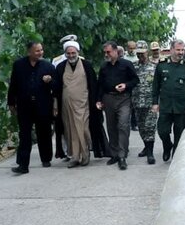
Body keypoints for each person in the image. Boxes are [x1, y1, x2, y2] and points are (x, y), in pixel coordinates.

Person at [7, 42, 56, 174]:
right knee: (24, 135)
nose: (40, 53)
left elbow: (57, 87)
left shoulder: (48, 66)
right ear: (29, 52)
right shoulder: (19, 65)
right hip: (24, 106)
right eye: (37, 51)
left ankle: (46, 158)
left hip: (43, 105)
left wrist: (50, 81)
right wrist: (11, 103)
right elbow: (13, 85)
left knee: (44, 133)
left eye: (41, 50)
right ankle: (23, 165)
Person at [52, 39, 99, 168]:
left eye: (73, 53)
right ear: (65, 54)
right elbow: (56, 88)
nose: (71, 56)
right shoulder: (60, 67)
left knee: (83, 129)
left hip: (83, 105)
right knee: (70, 130)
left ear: (78, 52)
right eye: (68, 53)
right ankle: (75, 157)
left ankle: (85, 153)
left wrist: (96, 102)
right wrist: (55, 105)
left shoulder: (86, 65)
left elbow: (93, 85)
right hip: (66, 106)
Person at [96, 41, 140, 170]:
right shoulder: (104, 66)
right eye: (105, 52)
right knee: (111, 127)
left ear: (116, 51)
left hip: (123, 99)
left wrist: (126, 85)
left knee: (123, 125)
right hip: (108, 98)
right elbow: (100, 84)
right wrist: (99, 100)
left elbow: (135, 80)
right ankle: (114, 154)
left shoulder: (126, 64)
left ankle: (122, 155)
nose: (106, 54)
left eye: (108, 52)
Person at [152, 39, 185, 162]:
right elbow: (156, 85)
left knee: (179, 133)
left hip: (181, 105)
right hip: (165, 105)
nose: (181, 52)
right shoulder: (162, 64)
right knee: (162, 131)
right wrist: (155, 102)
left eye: (182, 50)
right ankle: (167, 145)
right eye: (178, 50)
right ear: (171, 50)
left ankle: (176, 157)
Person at [131, 40, 158, 164]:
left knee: (150, 127)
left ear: (147, 52)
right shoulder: (133, 67)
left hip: (151, 103)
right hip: (137, 102)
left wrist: (158, 102)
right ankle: (146, 147)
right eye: (138, 53)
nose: (140, 56)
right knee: (142, 128)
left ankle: (150, 153)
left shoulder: (154, 66)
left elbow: (159, 85)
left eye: (142, 53)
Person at [52, 35, 77, 160]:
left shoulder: (79, 59)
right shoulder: (57, 61)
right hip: (62, 97)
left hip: (77, 99)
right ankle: (67, 151)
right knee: (63, 126)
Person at [123, 41, 138, 131]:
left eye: (133, 48)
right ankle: (126, 123)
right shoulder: (124, 57)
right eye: (130, 48)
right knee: (127, 105)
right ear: (127, 48)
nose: (132, 50)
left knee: (134, 105)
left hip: (135, 83)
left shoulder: (137, 57)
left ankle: (134, 123)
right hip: (127, 83)